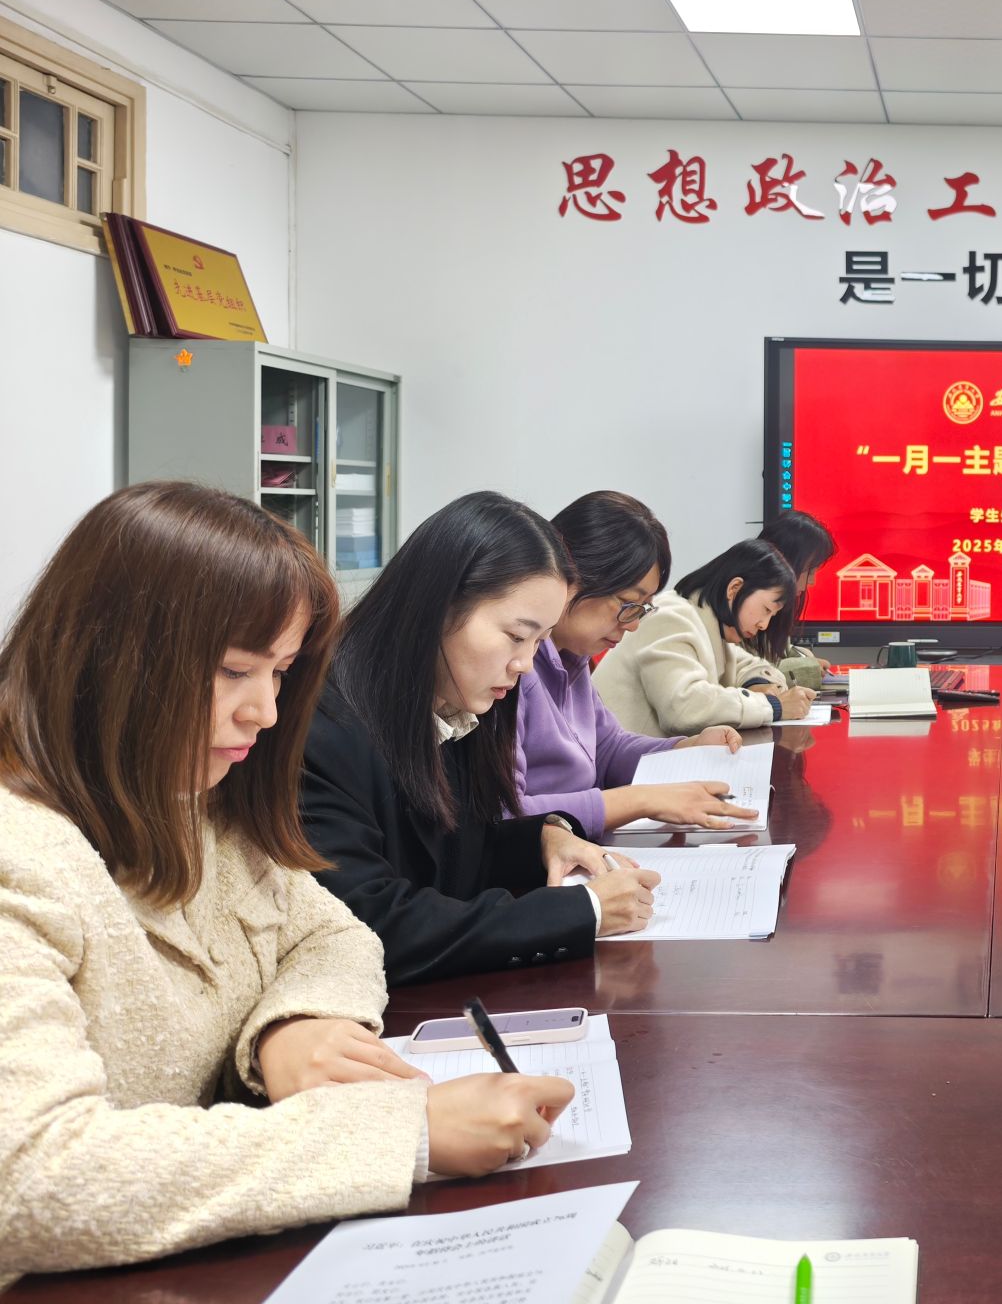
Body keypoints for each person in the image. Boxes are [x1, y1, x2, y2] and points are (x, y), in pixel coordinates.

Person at [0, 483, 573, 1283]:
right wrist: (402, 1135)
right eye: (236, 670)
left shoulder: (197, 803)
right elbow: (31, 1178)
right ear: (109, 655)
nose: (265, 713)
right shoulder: (22, 854)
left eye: (280, 673)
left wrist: (294, 1024)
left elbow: (336, 932)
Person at [301, 492, 660, 986]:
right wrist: (584, 911)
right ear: (439, 606)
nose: (525, 664)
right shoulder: (324, 726)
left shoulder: (456, 703)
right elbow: (371, 920)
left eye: (539, 640)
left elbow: (458, 852)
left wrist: (544, 839)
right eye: (516, 636)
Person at [518, 491, 754, 836]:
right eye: (629, 603)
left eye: (643, 608)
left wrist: (687, 749)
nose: (633, 625)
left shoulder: (572, 658)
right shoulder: (513, 668)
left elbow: (608, 749)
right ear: (568, 574)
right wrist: (639, 800)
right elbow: (505, 817)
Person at [595, 538, 816, 735]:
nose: (764, 624)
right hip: (618, 765)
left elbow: (749, 665)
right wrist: (772, 707)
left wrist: (758, 683)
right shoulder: (672, 617)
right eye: (766, 609)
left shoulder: (710, 625)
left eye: (771, 616)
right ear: (735, 588)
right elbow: (684, 708)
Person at [746, 508, 837, 672]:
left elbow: (773, 654)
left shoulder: (772, 607)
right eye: (809, 571)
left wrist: (803, 658)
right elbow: (745, 673)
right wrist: (804, 667)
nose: (812, 582)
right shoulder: (744, 605)